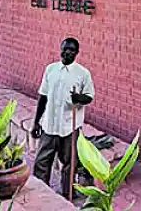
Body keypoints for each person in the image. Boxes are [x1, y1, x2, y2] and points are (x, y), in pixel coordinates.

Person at [32, 37, 95, 197]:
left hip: (69, 127)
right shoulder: (51, 69)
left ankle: (68, 193)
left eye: (71, 50)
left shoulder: (83, 73)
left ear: (77, 53)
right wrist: (36, 122)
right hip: (49, 125)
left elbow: (89, 97)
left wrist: (79, 98)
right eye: (65, 49)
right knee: (41, 161)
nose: (67, 52)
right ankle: (41, 193)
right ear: (60, 49)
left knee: (69, 163)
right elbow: (43, 96)